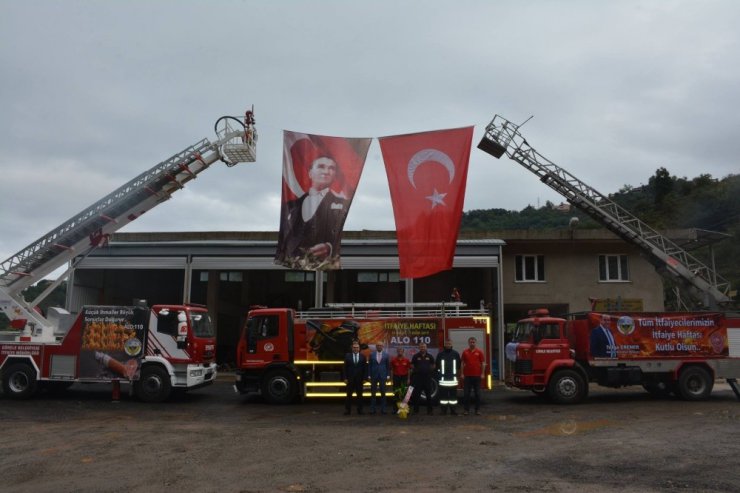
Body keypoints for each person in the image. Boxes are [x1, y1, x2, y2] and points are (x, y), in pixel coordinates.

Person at [276, 156, 349, 270]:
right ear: (310, 173)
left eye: (331, 168)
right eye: (321, 166)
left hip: (323, 266)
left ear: (335, 176)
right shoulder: (290, 206)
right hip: (293, 266)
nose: (326, 171)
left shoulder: (342, 204)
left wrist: (329, 248)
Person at [435, 339, 461, 415]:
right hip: (443, 380)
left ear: (451, 344)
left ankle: (453, 411)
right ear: (444, 344)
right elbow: (437, 365)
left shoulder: (456, 354)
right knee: (443, 397)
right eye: (446, 343)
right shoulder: (440, 354)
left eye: (449, 343)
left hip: (453, 380)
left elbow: (458, 366)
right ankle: (443, 411)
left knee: (453, 397)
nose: (448, 345)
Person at [461, 336, 485, 416]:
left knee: (477, 394)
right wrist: (461, 374)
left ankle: (477, 410)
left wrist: (482, 373)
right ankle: (466, 410)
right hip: (467, 376)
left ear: (475, 343)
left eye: (473, 342)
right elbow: (462, 363)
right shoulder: (465, 352)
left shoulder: (479, 352)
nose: (472, 343)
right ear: (468, 343)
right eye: (471, 342)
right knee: (466, 394)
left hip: (477, 376)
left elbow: (483, 363)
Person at [410, 342, 436, 415]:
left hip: (427, 378)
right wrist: (415, 369)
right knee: (416, 395)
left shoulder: (430, 356)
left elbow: (434, 365)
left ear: (426, 348)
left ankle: (430, 411)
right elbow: (412, 365)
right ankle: (416, 411)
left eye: (424, 347)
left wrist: (429, 370)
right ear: (419, 348)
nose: (422, 348)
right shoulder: (415, 356)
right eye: (421, 347)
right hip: (418, 378)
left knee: (428, 395)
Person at [343, 341, 367, 415]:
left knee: (360, 396)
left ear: (359, 348)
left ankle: (360, 410)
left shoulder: (363, 356)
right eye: (354, 347)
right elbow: (344, 368)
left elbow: (365, 369)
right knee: (349, 395)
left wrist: (364, 379)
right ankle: (348, 410)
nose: (355, 349)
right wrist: (345, 378)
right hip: (350, 379)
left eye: (357, 347)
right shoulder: (347, 356)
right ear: (352, 348)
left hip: (359, 380)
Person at [368, 341, 390, 414]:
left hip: (383, 376)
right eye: (378, 345)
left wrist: (388, 375)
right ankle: (372, 409)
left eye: (380, 345)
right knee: (373, 394)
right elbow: (369, 366)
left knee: (383, 393)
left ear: (382, 347)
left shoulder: (386, 355)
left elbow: (388, 366)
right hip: (374, 376)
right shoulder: (371, 354)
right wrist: (369, 375)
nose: (379, 347)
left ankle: (383, 410)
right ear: (376, 347)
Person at [390, 346, 411, 411]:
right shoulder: (393, 360)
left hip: (404, 378)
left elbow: (409, 370)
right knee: (396, 394)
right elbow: (391, 370)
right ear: (397, 352)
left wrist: (408, 379)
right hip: (396, 378)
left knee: (404, 394)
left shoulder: (407, 360)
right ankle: (395, 409)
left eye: (401, 351)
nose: (400, 352)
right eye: (398, 351)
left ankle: (403, 409)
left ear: (403, 352)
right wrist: (391, 379)